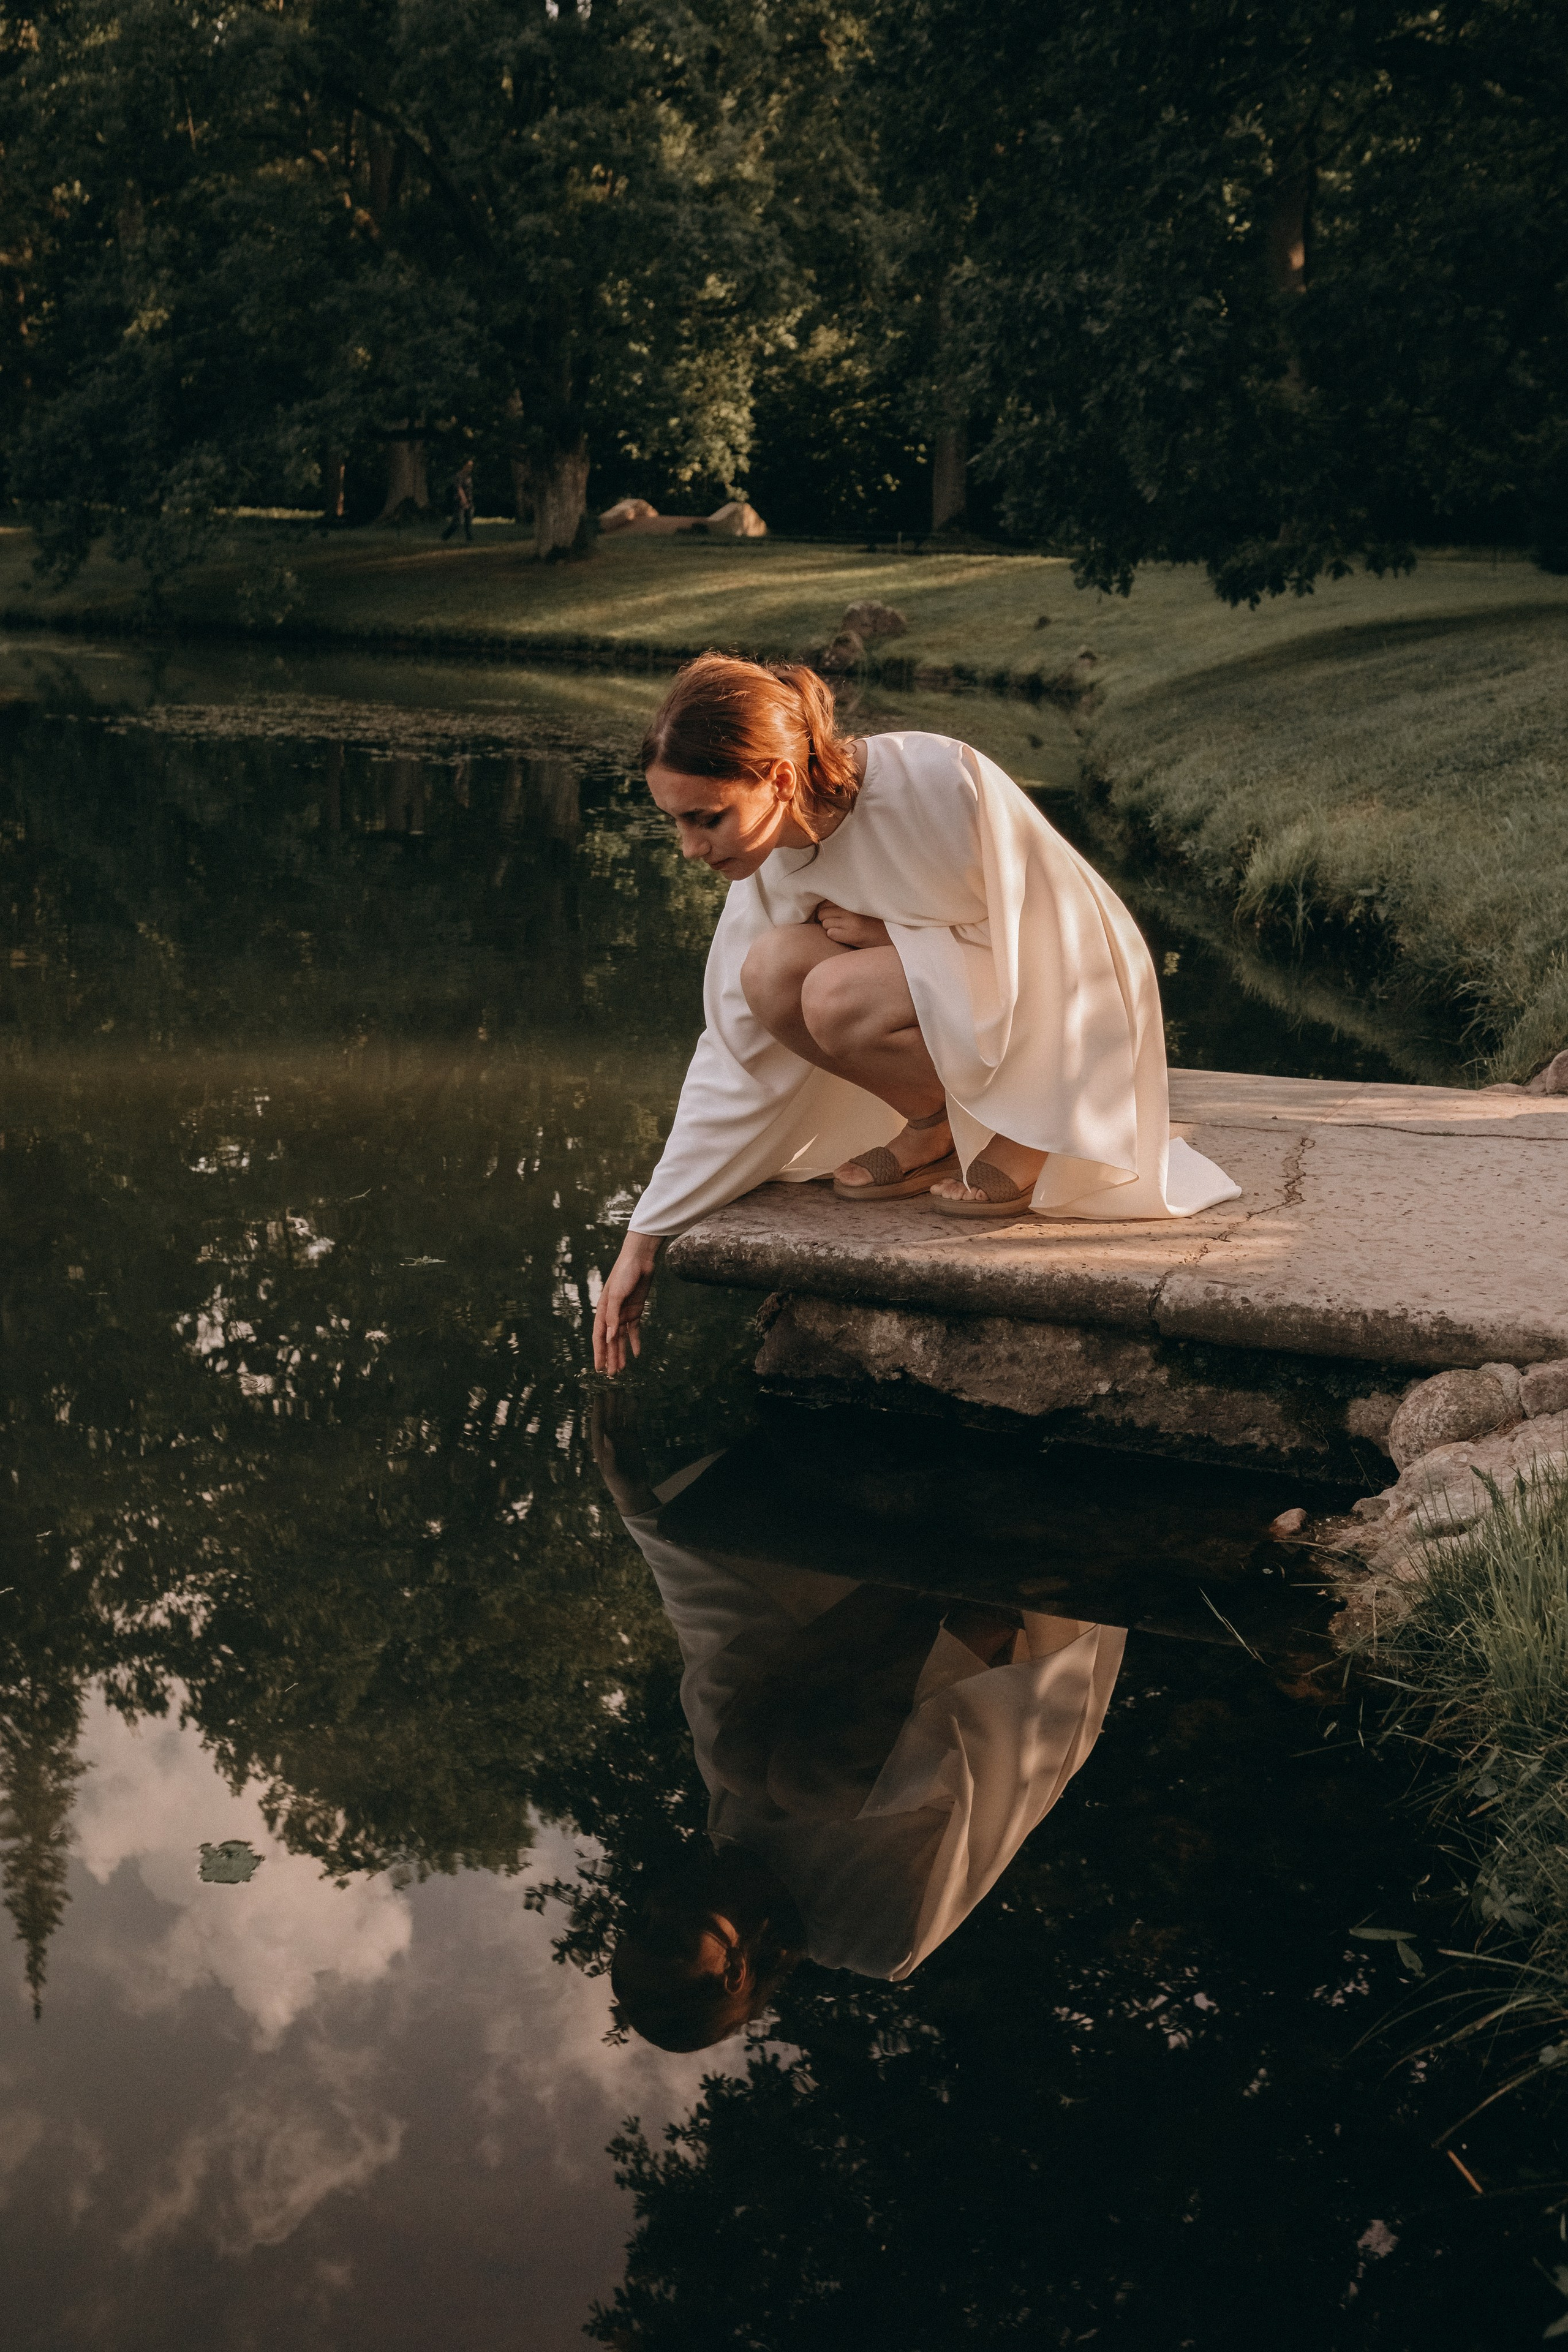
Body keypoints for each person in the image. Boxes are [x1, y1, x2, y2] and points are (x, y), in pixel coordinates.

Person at [591, 653, 1238, 1376]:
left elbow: (1065, 937)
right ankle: (932, 1123)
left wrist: (899, 937)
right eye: (676, 823)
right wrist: (644, 1234)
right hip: (959, 990)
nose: (690, 848)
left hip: (1068, 997)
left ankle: (1027, 1131)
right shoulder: (771, 859)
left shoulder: (937, 781)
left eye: (706, 818)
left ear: (775, 778)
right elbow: (734, 1048)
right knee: (769, 974)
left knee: (836, 994)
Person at [591, 1398, 1123, 2051]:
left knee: (742, 1759)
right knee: (798, 1779)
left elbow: (723, 1638)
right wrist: (993, 1640)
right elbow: (992, 1785)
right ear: (732, 1974)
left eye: (639, 1922)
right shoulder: (874, 1937)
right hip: (1009, 1667)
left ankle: (933, 1563)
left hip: (905, 1607)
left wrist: (633, 1501)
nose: (659, 1908)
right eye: (668, 1940)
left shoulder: (732, 1820)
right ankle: (984, 1582)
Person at [442, 458, 475, 544]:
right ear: (464, 466)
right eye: (469, 465)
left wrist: (469, 501)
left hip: (470, 501)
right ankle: (445, 536)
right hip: (460, 502)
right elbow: (459, 488)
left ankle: (469, 538)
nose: (471, 467)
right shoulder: (459, 476)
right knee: (458, 522)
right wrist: (464, 501)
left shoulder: (469, 476)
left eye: (472, 466)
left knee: (469, 520)